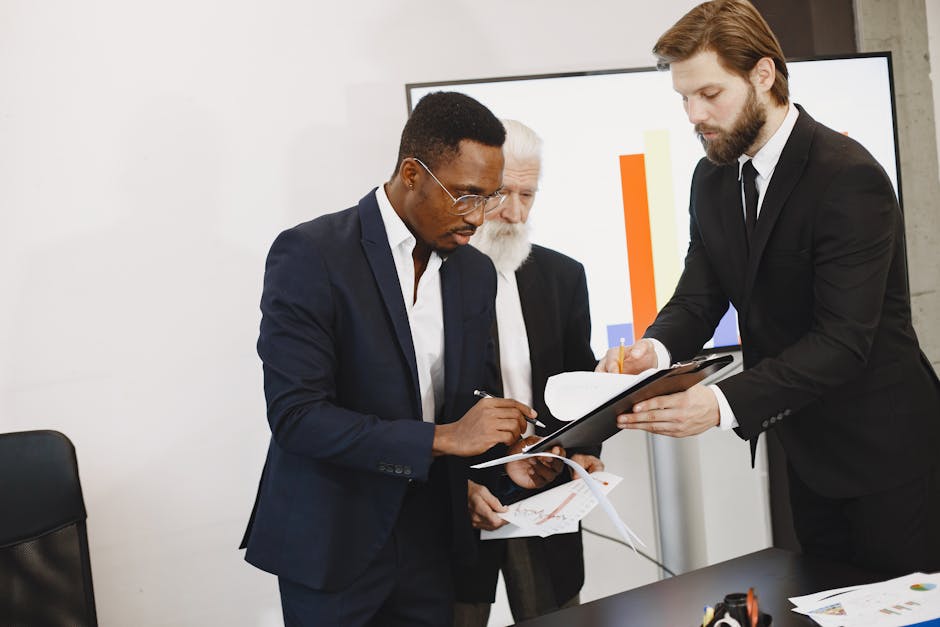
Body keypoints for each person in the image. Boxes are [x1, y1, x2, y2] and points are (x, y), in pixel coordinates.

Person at [598, 0, 940, 576]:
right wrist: (650, 354)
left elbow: (842, 341)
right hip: (803, 448)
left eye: (709, 94)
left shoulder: (847, 176)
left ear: (763, 74)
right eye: (683, 98)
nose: (693, 115)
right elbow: (700, 296)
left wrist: (719, 404)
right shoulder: (711, 176)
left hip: (889, 457)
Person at [240, 91, 564, 626]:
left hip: (431, 544)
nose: (479, 218)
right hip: (332, 543)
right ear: (411, 174)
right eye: (466, 196)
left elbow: (466, 403)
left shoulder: (474, 272)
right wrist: (444, 438)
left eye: (489, 197)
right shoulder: (312, 254)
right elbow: (297, 417)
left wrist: (508, 463)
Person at [452, 119, 603, 626]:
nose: (515, 213)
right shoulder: (431, 281)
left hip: (546, 488)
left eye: (528, 195)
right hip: (463, 494)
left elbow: (579, 382)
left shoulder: (564, 277)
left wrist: (583, 449)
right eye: (502, 194)